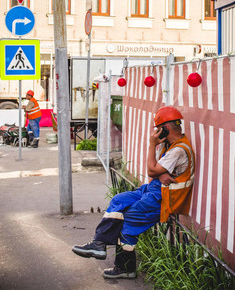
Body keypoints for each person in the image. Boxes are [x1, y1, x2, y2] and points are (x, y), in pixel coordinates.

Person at [72, 106, 195, 279]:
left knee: (127, 222)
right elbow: (157, 171)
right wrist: (160, 172)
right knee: (118, 200)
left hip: (164, 197)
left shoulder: (178, 149)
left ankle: (126, 268)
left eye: (159, 129)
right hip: (153, 189)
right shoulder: (169, 145)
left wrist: (152, 146)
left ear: (165, 128)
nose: (156, 133)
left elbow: (152, 170)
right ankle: (98, 244)